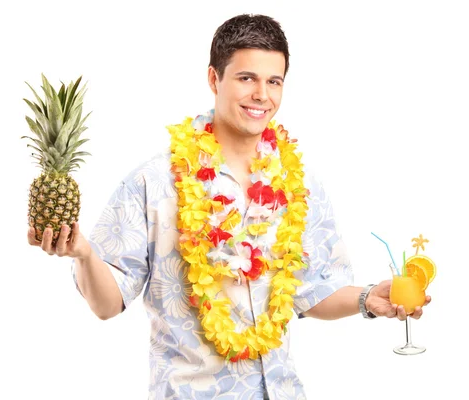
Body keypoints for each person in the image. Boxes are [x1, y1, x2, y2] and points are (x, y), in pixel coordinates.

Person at [27, 14, 431, 399]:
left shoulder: (299, 182)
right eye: (246, 78)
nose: (262, 95)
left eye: (275, 81)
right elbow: (106, 304)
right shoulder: (154, 182)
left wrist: (367, 300)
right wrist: (83, 255)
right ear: (213, 78)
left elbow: (313, 290)